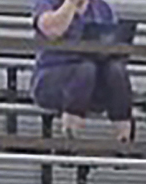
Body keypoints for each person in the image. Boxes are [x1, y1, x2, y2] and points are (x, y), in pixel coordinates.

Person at [32, 0, 138, 153]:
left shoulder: (102, 7)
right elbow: (52, 30)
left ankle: (124, 136)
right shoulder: (47, 2)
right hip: (54, 76)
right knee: (84, 69)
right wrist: (71, 4)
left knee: (116, 70)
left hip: (93, 80)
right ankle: (68, 135)